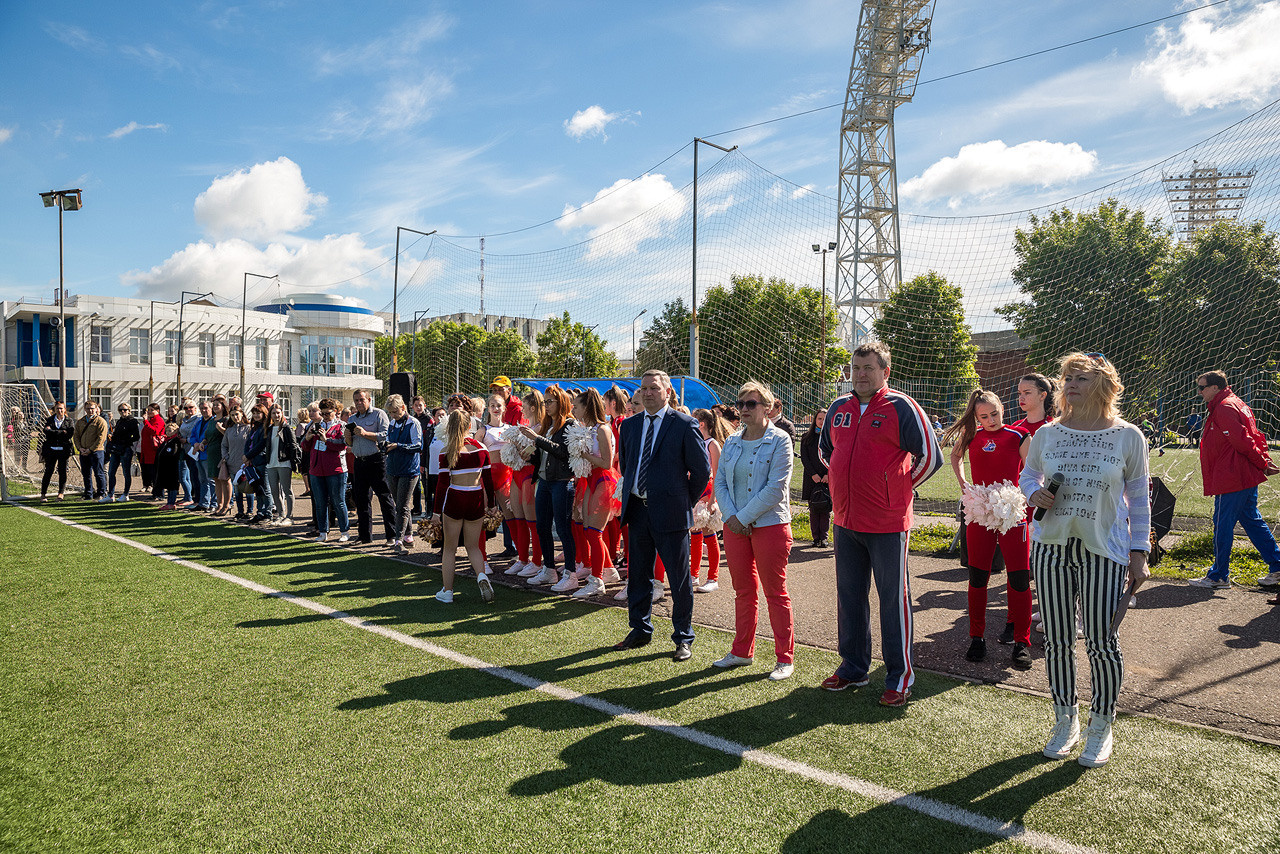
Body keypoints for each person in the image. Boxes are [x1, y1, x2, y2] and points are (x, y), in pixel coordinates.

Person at [1022, 351, 1150, 767]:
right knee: (1057, 640)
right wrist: (1032, 493)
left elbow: (1140, 499)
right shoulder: (1048, 434)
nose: (1070, 384)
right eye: (1066, 378)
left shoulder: (1128, 436)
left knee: (1100, 642)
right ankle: (1066, 719)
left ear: (1105, 384)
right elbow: (1029, 475)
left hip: (1105, 551)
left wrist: (1139, 551)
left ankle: (1101, 724)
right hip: (1051, 547)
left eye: (1080, 377)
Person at [818, 341, 942, 707]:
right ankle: (853, 667)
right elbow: (829, 452)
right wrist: (845, 486)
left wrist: (895, 489)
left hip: (888, 523)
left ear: (885, 371)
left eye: (868, 368)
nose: (860, 375)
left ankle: (899, 677)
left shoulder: (901, 405)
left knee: (893, 600)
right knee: (850, 596)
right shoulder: (839, 407)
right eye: (855, 368)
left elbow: (930, 457)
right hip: (845, 521)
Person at [611, 370, 711, 662]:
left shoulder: (684, 424)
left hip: (671, 514)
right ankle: (640, 630)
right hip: (638, 512)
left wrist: (683, 502)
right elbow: (628, 467)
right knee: (638, 576)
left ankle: (683, 637)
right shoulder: (629, 427)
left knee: (678, 580)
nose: (648, 393)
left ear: (668, 391)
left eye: (654, 388)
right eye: (643, 389)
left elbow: (702, 471)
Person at [943, 389, 1033, 671]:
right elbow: (955, 458)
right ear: (976, 417)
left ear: (1002, 409)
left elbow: (1031, 471)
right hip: (980, 512)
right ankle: (977, 638)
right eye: (984, 416)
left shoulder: (1019, 436)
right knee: (978, 577)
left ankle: (1021, 642)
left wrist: (1022, 495)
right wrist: (964, 485)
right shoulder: (972, 436)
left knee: (1019, 578)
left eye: (994, 413)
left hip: (1012, 512)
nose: (990, 420)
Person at [712, 381, 797, 680]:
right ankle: (741, 651)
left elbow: (776, 488)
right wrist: (733, 517)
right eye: (741, 404)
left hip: (770, 525)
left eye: (751, 404)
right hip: (735, 526)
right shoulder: (733, 441)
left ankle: (784, 658)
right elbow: (720, 481)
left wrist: (742, 517)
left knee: (775, 592)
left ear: (768, 407)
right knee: (743, 591)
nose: (744, 409)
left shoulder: (781, 440)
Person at [1189, 370, 1280, 590]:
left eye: (1202, 388)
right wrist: (1263, 461)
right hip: (1242, 475)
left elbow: (1244, 441)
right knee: (1252, 521)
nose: (1199, 392)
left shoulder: (1224, 408)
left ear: (1215, 388)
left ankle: (1219, 576)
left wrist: (1263, 463)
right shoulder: (1237, 403)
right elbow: (1256, 436)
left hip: (1232, 477)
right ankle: (1277, 565)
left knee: (1222, 524)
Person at [552, 388, 620, 598]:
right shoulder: (586, 428)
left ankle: (597, 579)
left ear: (586, 407)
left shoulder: (602, 429)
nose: (573, 408)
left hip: (602, 480)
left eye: (577, 405)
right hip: (589, 480)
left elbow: (607, 463)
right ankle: (607, 571)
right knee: (586, 528)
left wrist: (584, 455)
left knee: (594, 532)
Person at [433, 408, 496, 603]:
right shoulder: (481, 449)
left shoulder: (447, 452)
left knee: (450, 548)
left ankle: (447, 591)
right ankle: (482, 576)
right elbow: (489, 481)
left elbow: (442, 485)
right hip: (475, 499)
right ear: (470, 426)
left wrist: (436, 512)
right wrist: (492, 505)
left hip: (454, 499)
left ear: (449, 428)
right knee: (473, 547)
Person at [519, 386, 578, 588]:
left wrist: (536, 438)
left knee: (563, 529)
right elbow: (546, 456)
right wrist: (531, 457)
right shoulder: (549, 424)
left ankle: (570, 574)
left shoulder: (569, 424)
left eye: (549, 401)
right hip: (544, 481)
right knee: (542, 527)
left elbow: (563, 452)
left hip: (561, 482)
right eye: (544, 402)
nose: (546, 405)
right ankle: (549, 570)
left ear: (560, 402)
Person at [345, 389, 396, 546]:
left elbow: (386, 436)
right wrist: (347, 435)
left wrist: (365, 433)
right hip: (359, 461)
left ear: (369, 399)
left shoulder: (379, 414)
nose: (359, 403)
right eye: (356, 400)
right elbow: (349, 443)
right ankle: (364, 536)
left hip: (377, 461)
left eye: (362, 399)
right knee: (361, 499)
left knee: (384, 498)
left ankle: (392, 536)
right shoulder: (352, 418)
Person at [508, 390, 545, 579]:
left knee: (532, 521)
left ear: (531, 407)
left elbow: (533, 454)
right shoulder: (525, 425)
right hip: (516, 474)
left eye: (524, 406)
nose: (521, 409)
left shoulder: (540, 428)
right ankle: (523, 559)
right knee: (518, 517)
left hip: (530, 474)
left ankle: (537, 561)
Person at [691, 407, 729, 592]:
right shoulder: (696, 442)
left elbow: (717, 474)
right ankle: (694, 574)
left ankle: (713, 577)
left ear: (701, 423)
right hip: (695, 492)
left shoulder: (712, 444)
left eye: (694, 420)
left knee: (709, 534)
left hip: (707, 492)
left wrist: (713, 500)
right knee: (695, 534)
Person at [304, 398, 351, 544]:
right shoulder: (315, 425)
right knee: (320, 502)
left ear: (335, 411)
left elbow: (343, 445)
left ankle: (344, 531)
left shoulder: (342, 425)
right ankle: (323, 532)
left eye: (327, 413)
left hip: (336, 469)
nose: (325, 416)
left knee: (338, 501)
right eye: (322, 413)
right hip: (317, 470)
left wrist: (326, 440)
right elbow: (305, 447)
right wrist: (307, 438)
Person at [384, 394, 423, 552]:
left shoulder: (413, 423)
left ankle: (398, 540)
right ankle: (408, 536)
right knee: (400, 505)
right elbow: (388, 442)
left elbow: (418, 446)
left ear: (403, 408)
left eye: (395, 412)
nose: (392, 415)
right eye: (390, 413)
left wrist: (397, 446)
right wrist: (384, 446)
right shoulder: (392, 424)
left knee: (402, 506)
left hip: (409, 470)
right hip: (392, 469)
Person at [799, 409, 831, 548]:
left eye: (825, 419)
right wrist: (813, 474)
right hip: (812, 478)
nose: (822, 422)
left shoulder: (832, 437)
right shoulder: (806, 437)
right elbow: (804, 458)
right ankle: (815, 537)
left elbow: (835, 456)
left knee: (825, 508)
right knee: (813, 508)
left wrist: (828, 474)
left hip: (826, 478)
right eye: (819, 419)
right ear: (815, 420)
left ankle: (824, 537)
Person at [264, 403, 298, 526]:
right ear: (270, 415)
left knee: (287, 490)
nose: (276, 415)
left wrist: (294, 463)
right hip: (271, 464)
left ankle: (289, 516)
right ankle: (280, 514)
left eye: (278, 412)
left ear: (282, 413)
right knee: (274, 491)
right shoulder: (269, 429)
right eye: (273, 413)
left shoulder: (287, 428)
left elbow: (293, 446)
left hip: (284, 463)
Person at [242, 404, 275, 523]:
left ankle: (268, 513)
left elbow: (261, 445)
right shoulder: (254, 427)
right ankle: (260, 512)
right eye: (254, 413)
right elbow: (248, 443)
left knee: (265, 489)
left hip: (262, 461)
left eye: (258, 413)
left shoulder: (266, 427)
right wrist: (247, 456)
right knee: (258, 488)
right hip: (253, 462)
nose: (256, 415)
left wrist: (248, 456)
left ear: (264, 414)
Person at [220, 409, 253, 520]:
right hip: (232, 463)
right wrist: (226, 457)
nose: (235, 417)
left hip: (246, 464)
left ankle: (250, 511)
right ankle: (240, 511)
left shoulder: (248, 428)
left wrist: (249, 457)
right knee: (237, 489)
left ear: (242, 414)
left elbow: (252, 444)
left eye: (237, 414)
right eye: (232, 415)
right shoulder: (229, 430)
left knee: (248, 489)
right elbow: (224, 445)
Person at [39, 401, 75, 501]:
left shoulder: (69, 420)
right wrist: (61, 432)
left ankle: (60, 493)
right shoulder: (50, 419)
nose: (59, 410)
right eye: (58, 408)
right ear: (54, 409)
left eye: (61, 408)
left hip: (64, 450)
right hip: (51, 450)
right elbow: (46, 432)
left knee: (62, 471)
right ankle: (43, 494)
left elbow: (69, 434)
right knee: (48, 471)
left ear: (64, 410)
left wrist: (53, 432)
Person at [105, 402, 141, 501]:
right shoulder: (119, 421)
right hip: (116, 449)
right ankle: (110, 494)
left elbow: (136, 436)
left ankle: (125, 494)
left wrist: (127, 443)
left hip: (126, 449)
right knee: (111, 472)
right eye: (121, 410)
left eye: (125, 410)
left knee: (126, 472)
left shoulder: (133, 421)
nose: (123, 412)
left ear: (129, 410)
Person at [74, 402, 109, 501]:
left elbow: (101, 438)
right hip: (83, 451)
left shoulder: (100, 421)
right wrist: (79, 448)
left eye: (92, 408)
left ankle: (101, 493)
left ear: (96, 408)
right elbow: (76, 436)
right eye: (88, 408)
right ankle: (88, 493)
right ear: (85, 409)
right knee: (86, 474)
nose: (90, 410)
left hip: (96, 452)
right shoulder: (80, 421)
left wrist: (90, 449)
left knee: (99, 473)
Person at [205, 400, 231, 516]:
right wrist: (202, 443)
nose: (215, 407)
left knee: (224, 479)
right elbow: (207, 436)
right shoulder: (211, 420)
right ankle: (219, 505)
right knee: (216, 479)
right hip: (211, 452)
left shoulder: (226, 420)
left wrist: (220, 429)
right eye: (213, 405)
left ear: (223, 407)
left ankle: (226, 505)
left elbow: (229, 435)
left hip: (222, 452)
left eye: (217, 405)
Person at [409, 395, 434, 518]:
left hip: (426, 457)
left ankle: (429, 511)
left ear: (424, 405)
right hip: (415, 456)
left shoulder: (429, 420)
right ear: (412, 407)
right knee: (415, 483)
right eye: (416, 405)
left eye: (420, 405)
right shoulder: (412, 419)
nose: (418, 407)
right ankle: (417, 507)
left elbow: (427, 441)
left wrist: (424, 461)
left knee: (426, 484)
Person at [154, 422, 185, 510]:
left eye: (170, 430)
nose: (168, 432)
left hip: (172, 467)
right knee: (168, 485)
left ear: (176, 431)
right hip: (165, 467)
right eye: (167, 430)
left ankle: (171, 503)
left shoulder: (175, 441)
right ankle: (169, 502)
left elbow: (173, 453)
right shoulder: (167, 441)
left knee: (173, 485)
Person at [139, 403, 166, 500]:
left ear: (157, 411)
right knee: (151, 473)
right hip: (147, 451)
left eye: (151, 410)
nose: (149, 412)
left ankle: (160, 494)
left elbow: (155, 431)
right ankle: (155, 493)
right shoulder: (151, 420)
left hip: (154, 451)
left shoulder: (158, 420)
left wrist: (146, 421)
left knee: (156, 473)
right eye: (148, 410)